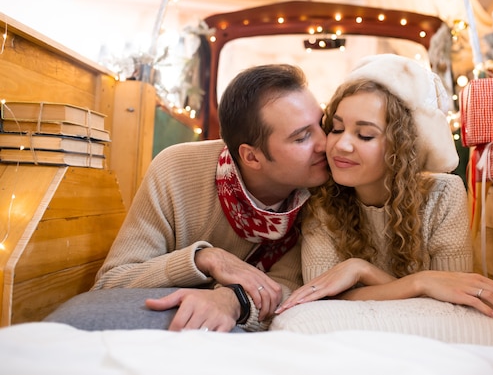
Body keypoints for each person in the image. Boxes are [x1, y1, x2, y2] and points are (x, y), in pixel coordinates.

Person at [44, 64, 328, 332]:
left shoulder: (325, 190)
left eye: (322, 124)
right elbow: (112, 283)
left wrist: (232, 300)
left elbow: (290, 290)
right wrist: (205, 258)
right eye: (302, 138)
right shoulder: (176, 168)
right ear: (251, 156)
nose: (326, 144)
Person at [276, 54, 493, 320]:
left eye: (365, 135)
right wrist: (423, 283)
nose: (341, 145)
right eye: (336, 128)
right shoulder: (321, 202)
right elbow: (321, 299)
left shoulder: (444, 195)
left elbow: (452, 303)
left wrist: (363, 272)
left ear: (402, 147)